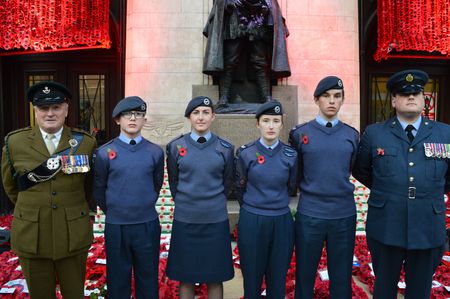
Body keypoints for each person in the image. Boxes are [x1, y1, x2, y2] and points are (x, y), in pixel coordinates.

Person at [353, 69, 450, 299]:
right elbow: (362, 171)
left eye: (416, 93)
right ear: (394, 100)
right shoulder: (375, 133)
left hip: (427, 225)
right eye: (403, 94)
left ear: (424, 100)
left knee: (420, 291)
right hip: (387, 225)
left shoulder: (445, 133)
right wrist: (391, 190)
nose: (411, 97)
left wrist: (427, 191)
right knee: (384, 289)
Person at [1, 81, 97, 299]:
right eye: (44, 108)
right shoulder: (15, 142)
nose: (50, 113)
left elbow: (89, 185)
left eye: (56, 108)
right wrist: (34, 206)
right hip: (32, 234)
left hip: (72, 232)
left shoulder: (85, 143)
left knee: (74, 294)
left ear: (66, 109)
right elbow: (11, 186)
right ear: (35, 111)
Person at [289, 76, 359, 299]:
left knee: (341, 276)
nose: (332, 101)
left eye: (337, 96)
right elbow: (294, 173)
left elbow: (353, 169)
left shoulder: (352, 135)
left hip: (343, 214)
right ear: (316, 100)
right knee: (305, 275)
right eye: (326, 96)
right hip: (311, 213)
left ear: (342, 100)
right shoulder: (299, 134)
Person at [93, 96, 164, 299]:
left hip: (146, 224)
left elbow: (156, 185)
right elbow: (99, 189)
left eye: (138, 114)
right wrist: (116, 210)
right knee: (117, 279)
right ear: (117, 120)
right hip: (117, 225)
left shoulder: (155, 152)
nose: (133, 118)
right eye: (127, 115)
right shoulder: (105, 152)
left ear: (144, 120)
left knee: (148, 278)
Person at [166, 96, 235, 299]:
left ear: (213, 116)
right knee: (185, 277)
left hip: (215, 220)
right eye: (196, 113)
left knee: (215, 276)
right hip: (186, 220)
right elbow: (174, 181)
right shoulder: (175, 147)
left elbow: (227, 182)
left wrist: (211, 203)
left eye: (205, 112)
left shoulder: (225, 148)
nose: (201, 117)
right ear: (189, 117)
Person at [235, 100, 297, 298]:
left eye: (276, 121)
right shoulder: (245, 153)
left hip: (281, 220)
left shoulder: (291, 155)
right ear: (258, 124)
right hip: (253, 219)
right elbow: (239, 187)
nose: (271, 126)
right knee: (252, 279)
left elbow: (292, 185)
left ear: (282, 124)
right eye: (266, 120)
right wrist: (254, 207)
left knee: (278, 279)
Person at [203, 0, 290, 106]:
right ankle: (224, 97)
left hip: (258, 18)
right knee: (230, 59)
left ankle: (266, 97)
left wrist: (267, 8)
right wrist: (228, 3)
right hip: (235, 17)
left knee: (260, 61)